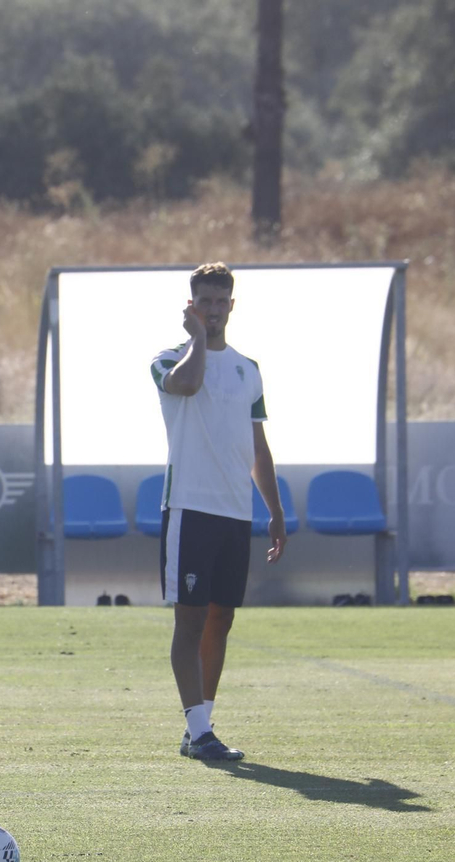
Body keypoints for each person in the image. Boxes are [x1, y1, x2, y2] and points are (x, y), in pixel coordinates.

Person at [150, 263, 287, 761]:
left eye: (219, 301)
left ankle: (201, 726)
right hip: (189, 507)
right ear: (191, 306)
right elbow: (185, 386)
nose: (212, 310)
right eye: (203, 301)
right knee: (189, 621)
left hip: (235, 513)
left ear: (232, 304)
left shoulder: (248, 369)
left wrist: (274, 509)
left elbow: (258, 446)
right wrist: (196, 340)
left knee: (221, 619)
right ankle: (199, 728)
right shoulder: (168, 359)